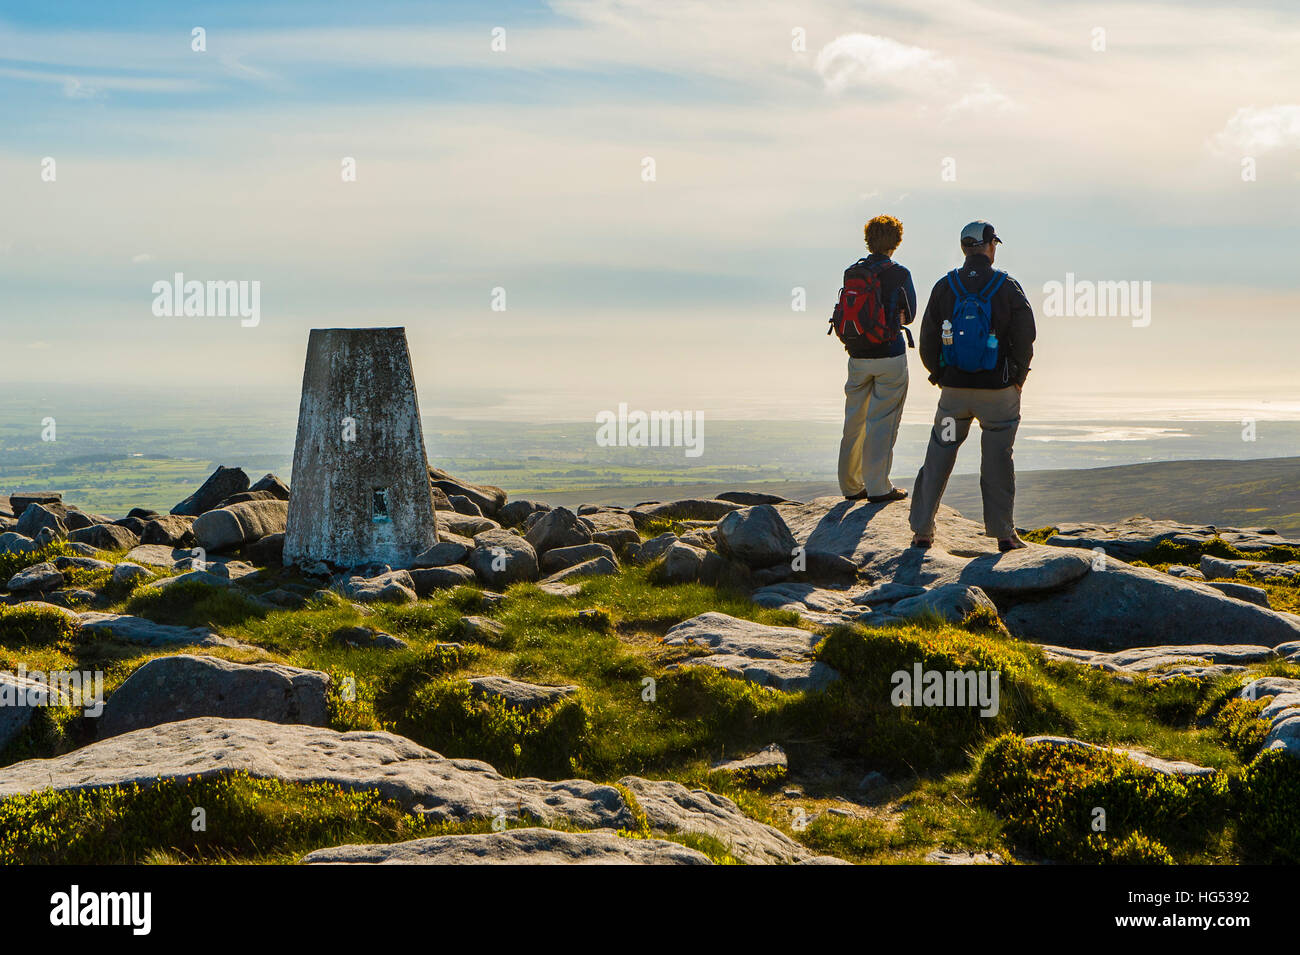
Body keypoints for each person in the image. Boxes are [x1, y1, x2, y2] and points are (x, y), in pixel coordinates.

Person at [909, 220, 1036, 551]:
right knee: (997, 459)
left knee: (940, 453)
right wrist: (1018, 379)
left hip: (954, 396)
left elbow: (927, 341)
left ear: (965, 248)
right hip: (998, 395)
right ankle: (1004, 535)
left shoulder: (945, 286)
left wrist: (941, 375)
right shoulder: (1006, 286)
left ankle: (923, 530)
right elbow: (1025, 336)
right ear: (991, 246)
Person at [833, 214, 917, 503]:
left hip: (857, 356)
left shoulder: (851, 273)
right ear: (896, 242)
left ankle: (850, 486)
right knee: (882, 421)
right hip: (890, 355)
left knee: (853, 421)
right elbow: (911, 314)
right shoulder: (899, 273)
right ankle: (879, 487)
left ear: (869, 239)